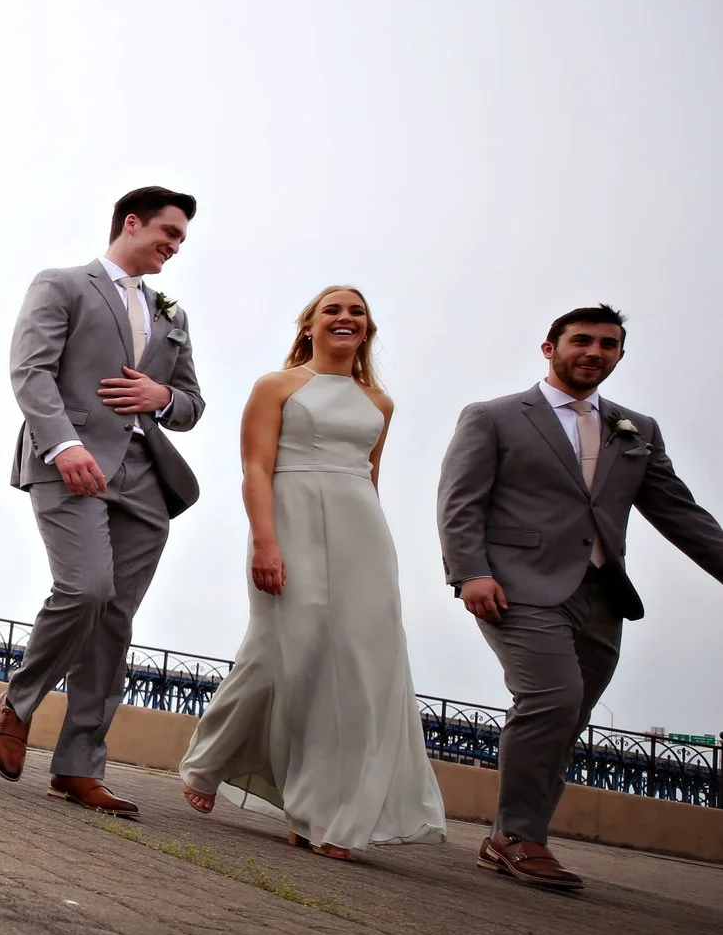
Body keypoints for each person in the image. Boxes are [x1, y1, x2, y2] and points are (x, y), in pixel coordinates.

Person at [437, 305, 723, 892]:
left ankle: (515, 834)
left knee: (569, 715)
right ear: (550, 347)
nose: (595, 352)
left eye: (609, 344)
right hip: (516, 588)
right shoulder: (494, 417)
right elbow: (460, 500)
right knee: (551, 696)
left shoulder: (636, 428)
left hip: (602, 596)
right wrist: (469, 573)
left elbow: (679, 512)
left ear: (620, 355)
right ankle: (517, 836)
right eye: (582, 340)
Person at [179, 286, 446, 858]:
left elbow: (369, 478)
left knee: (356, 670)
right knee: (282, 654)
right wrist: (266, 544)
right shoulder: (276, 387)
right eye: (333, 309)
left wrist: (380, 552)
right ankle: (210, 758)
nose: (346, 318)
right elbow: (255, 467)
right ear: (308, 326)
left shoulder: (379, 403)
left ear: (367, 329)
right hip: (289, 522)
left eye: (357, 311)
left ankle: (322, 812)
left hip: (362, 537)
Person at [0, 186, 205, 817]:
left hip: (145, 477)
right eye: (167, 232)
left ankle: (80, 765)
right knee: (84, 589)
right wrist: (63, 445)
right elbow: (30, 370)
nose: (174, 246)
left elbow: (191, 405)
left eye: (182, 239)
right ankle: (19, 702)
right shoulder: (62, 284)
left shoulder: (172, 315)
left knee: (115, 619)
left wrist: (160, 396)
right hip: (71, 462)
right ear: (131, 224)